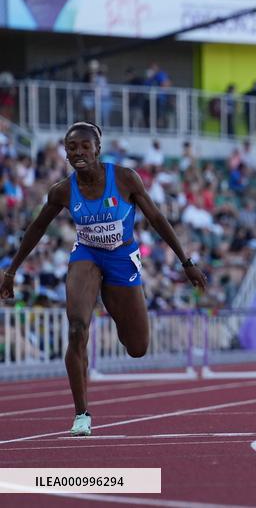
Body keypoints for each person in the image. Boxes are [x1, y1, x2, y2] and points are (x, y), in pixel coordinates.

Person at [0, 122, 207, 437]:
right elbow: (37, 228)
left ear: (97, 148)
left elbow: (156, 218)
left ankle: (114, 305)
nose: (79, 153)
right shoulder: (63, 190)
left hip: (122, 258)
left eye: (85, 146)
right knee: (76, 327)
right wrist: (11, 270)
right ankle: (81, 413)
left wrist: (186, 262)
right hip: (87, 256)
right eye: (72, 148)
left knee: (137, 346)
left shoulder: (125, 178)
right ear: (66, 153)